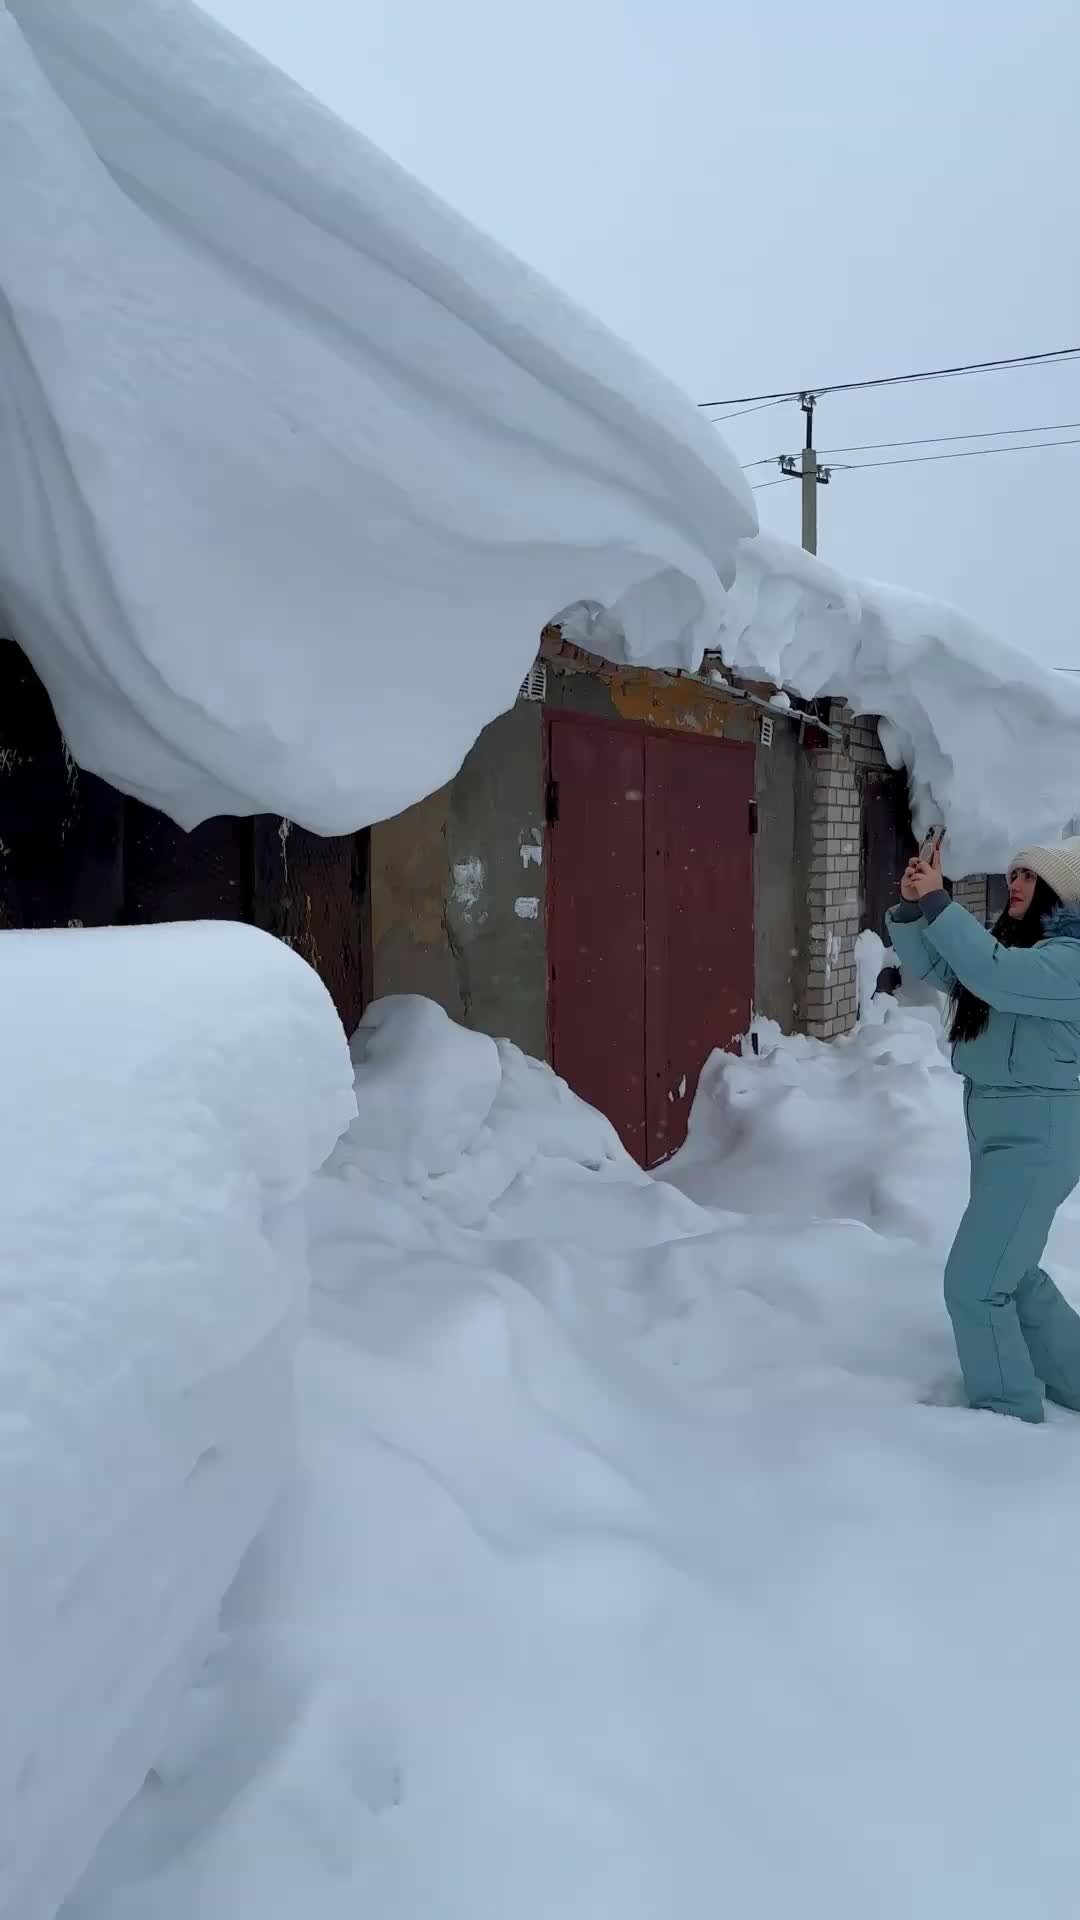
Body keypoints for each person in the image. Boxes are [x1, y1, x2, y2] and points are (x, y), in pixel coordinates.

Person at [886, 837, 1080, 1423]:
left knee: (974, 1285)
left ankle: (1004, 1420)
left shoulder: (1067, 959)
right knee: (1012, 1273)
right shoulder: (1016, 954)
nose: (1015, 883)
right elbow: (945, 966)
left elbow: (990, 973)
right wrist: (914, 908)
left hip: (1039, 1135)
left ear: (1061, 892)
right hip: (998, 1127)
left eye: (1030, 877)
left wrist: (942, 904)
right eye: (1014, 872)